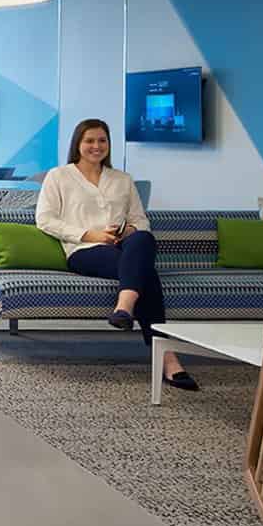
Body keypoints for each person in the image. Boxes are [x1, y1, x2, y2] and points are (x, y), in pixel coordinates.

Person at [36, 118, 195, 390]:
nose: (96, 146)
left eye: (102, 140)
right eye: (89, 141)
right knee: (146, 273)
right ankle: (168, 358)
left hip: (124, 247)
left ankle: (124, 307)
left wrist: (128, 230)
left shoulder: (123, 179)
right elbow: (45, 220)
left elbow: (141, 221)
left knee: (143, 237)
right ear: (78, 144)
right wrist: (91, 235)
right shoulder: (59, 176)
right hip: (83, 250)